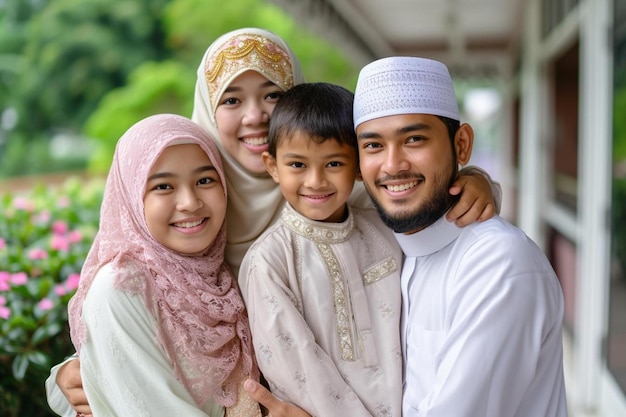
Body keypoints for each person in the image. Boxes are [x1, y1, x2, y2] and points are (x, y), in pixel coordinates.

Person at [46, 28, 500, 416]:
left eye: (273, 95)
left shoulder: (348, 198)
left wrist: (471, 181)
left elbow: (409, 197)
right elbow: (150, 317)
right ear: (206, 110)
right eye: (231, 99)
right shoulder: (194, 216)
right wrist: (72, 370)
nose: (255, 115)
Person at [353, 56, 568, 416]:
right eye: (373, 145)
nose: (392, 165)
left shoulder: (498, 262)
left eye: (414, 139)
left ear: (462, 145)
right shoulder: (392, 247)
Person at [66, 113, 261, 416]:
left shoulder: (219, 275)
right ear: (132, 196)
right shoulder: (121, 288)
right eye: (163, 186)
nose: (189, 202)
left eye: (205, 180)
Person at [239, 82, 403, 416]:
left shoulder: (387, 232)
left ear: (358, 166)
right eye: (297, 165)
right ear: (272, 166)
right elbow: (298, 369)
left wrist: (480, 183)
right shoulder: (270, 261)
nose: (315, 181)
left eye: (333, 164)